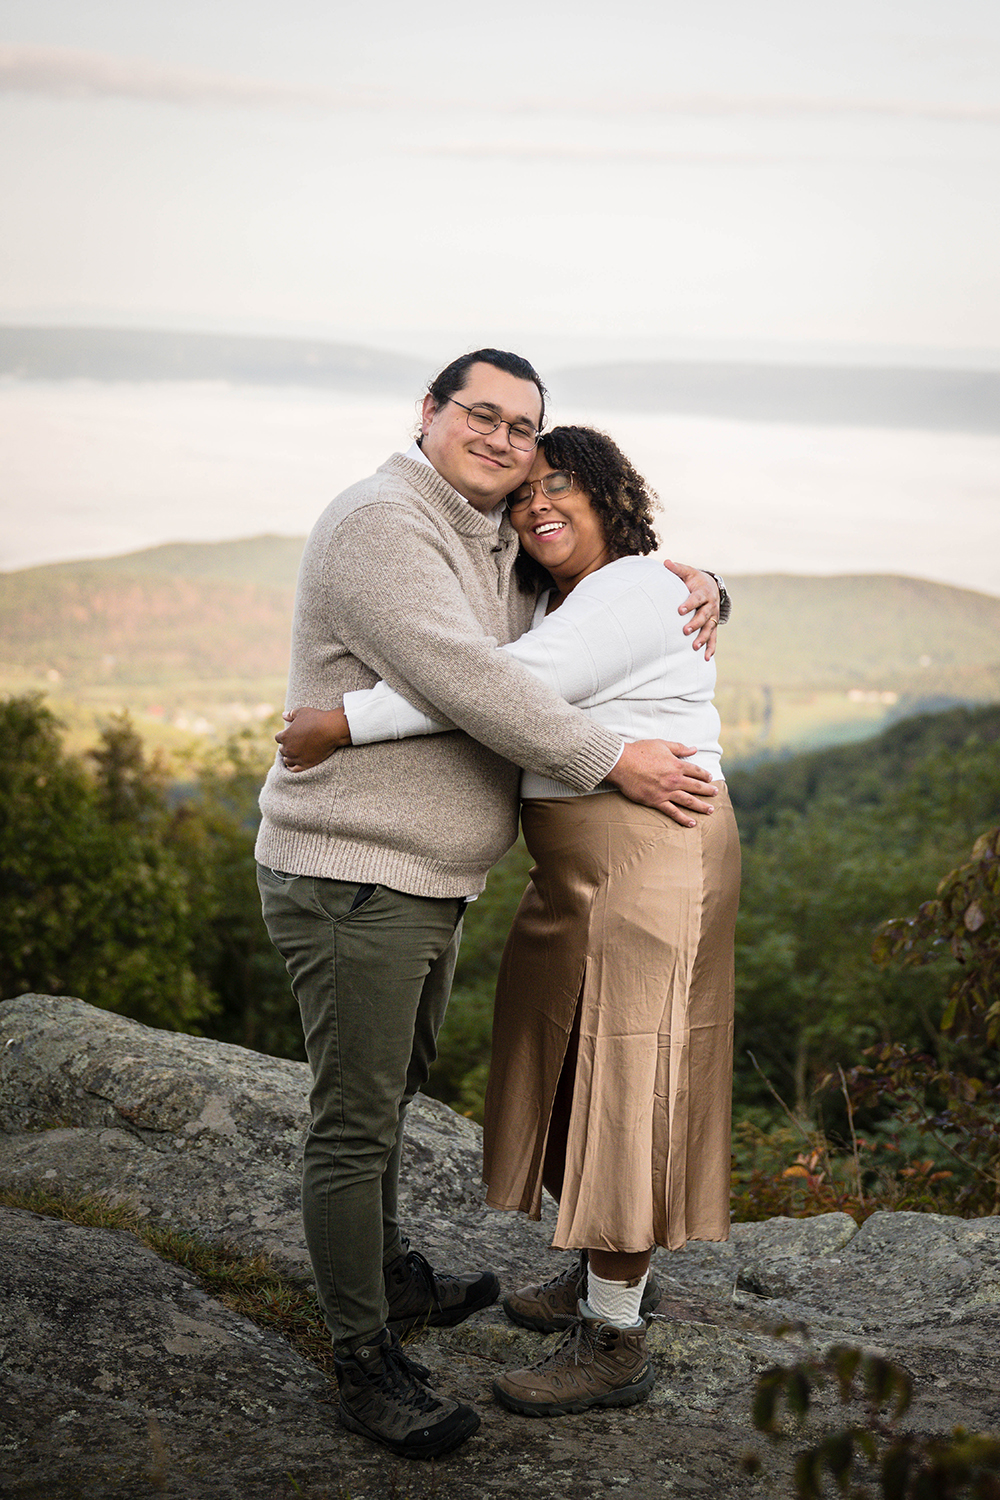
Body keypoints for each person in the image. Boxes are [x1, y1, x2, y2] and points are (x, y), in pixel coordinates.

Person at [256, 350, 725, 1459]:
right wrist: (612, 756)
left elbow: (580, 617)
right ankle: (364, 1356)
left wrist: (698, 582)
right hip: (357, 866)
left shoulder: (490, 537)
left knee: (411, 1089)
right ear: (428, 412)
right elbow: (476, 680)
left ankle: (401, 1283)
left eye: (532, 437)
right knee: (359, 1116)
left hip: (431, 875)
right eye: (486, 419)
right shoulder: (386, 519)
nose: (516, 457)